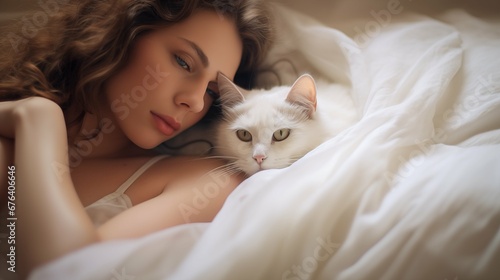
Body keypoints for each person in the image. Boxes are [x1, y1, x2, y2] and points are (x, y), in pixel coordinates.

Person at [0, 0, 273, 277]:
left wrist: (40, 119)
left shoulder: (208, 181)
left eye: (212, 91)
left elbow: (65, 272)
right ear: (125, 33)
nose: (195, 102)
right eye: (183, 61)